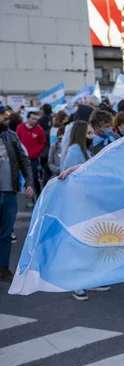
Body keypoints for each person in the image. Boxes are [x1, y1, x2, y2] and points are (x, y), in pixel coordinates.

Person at [61, 120, 110, 300]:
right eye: (89, 134)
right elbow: (77, 180)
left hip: (86, 204)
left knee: (88, 244)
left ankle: (88, 281)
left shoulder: (82, 150)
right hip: (79, 205)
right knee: (80, 245)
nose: (92, 137)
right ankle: (77, 284)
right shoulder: (75, 151)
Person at [0, 105, 34, 282]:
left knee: (6, 234)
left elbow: (24, 161)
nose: (6, 117)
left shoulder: (11, 137)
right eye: (2, 114)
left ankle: (3, 268)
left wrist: (29, 183)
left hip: (9, 193)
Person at [16, 111, 46, 198]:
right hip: (22, 159)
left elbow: (43, 143)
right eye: (32, 119)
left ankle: (38, 197)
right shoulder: (20, 128)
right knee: (22, 178)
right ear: (28, 119)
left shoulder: (39, 130)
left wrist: (35, 152)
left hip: (34, 159)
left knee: (34, 178)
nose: (34, 121)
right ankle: (24, 197)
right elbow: (17, 141)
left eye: (35, 119)